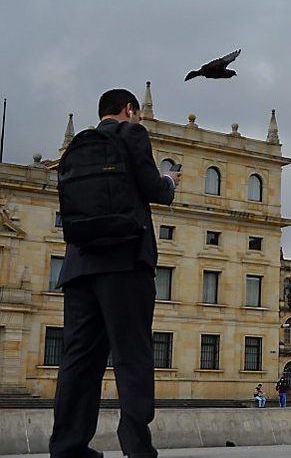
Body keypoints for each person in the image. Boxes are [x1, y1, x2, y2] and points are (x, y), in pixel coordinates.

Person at [49, 89, 179, 458]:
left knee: (78, 358)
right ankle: (137, 446)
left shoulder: (78, 146)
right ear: (129, 110)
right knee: (131, 353)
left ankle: (68, 446)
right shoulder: (132, 134)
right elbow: (155, 190)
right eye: (134, 113)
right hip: (124, 261)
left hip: (78, 265)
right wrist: (169, 181)